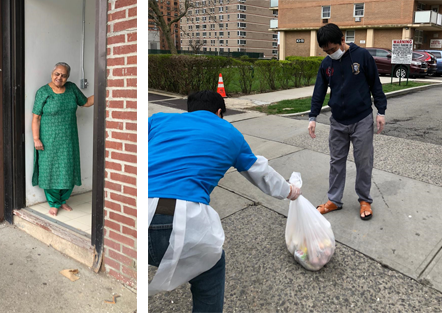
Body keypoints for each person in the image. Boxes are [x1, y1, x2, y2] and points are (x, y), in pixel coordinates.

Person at [148, 90, 302, 312]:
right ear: (219, 112)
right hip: (180, 219)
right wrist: (290, 191)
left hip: (136, 212)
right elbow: (261, 174)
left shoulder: (158, 120)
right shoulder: (230, 134)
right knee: (210, 266)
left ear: (189, 109)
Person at [308, 23, 387, 221]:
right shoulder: (326, 64)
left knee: (363, 162)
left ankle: (364, 200)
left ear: (342, 40)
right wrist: (313, 117)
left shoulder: (362, 57)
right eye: (326, 51)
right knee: (336, 162)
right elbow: (319, 91)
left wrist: (381, 111)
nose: (330, 53)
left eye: (333, 49)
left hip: (361, 118)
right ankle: (334, 200)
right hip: (338, 121)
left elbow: (375, 84)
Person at [31, 62, 95, 216]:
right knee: (50, 169)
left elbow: (86, 102)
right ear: (52, 74)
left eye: (63, 75)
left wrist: (103, 89)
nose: (59, 77)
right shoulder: (43, 92)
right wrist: (36, 139)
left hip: (68, 138)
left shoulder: (72, 88)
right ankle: (54, 202)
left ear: (68, 77)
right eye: (57, 74)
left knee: (68, 168)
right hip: (48, 139)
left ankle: (63, 200)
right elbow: (36, 118)